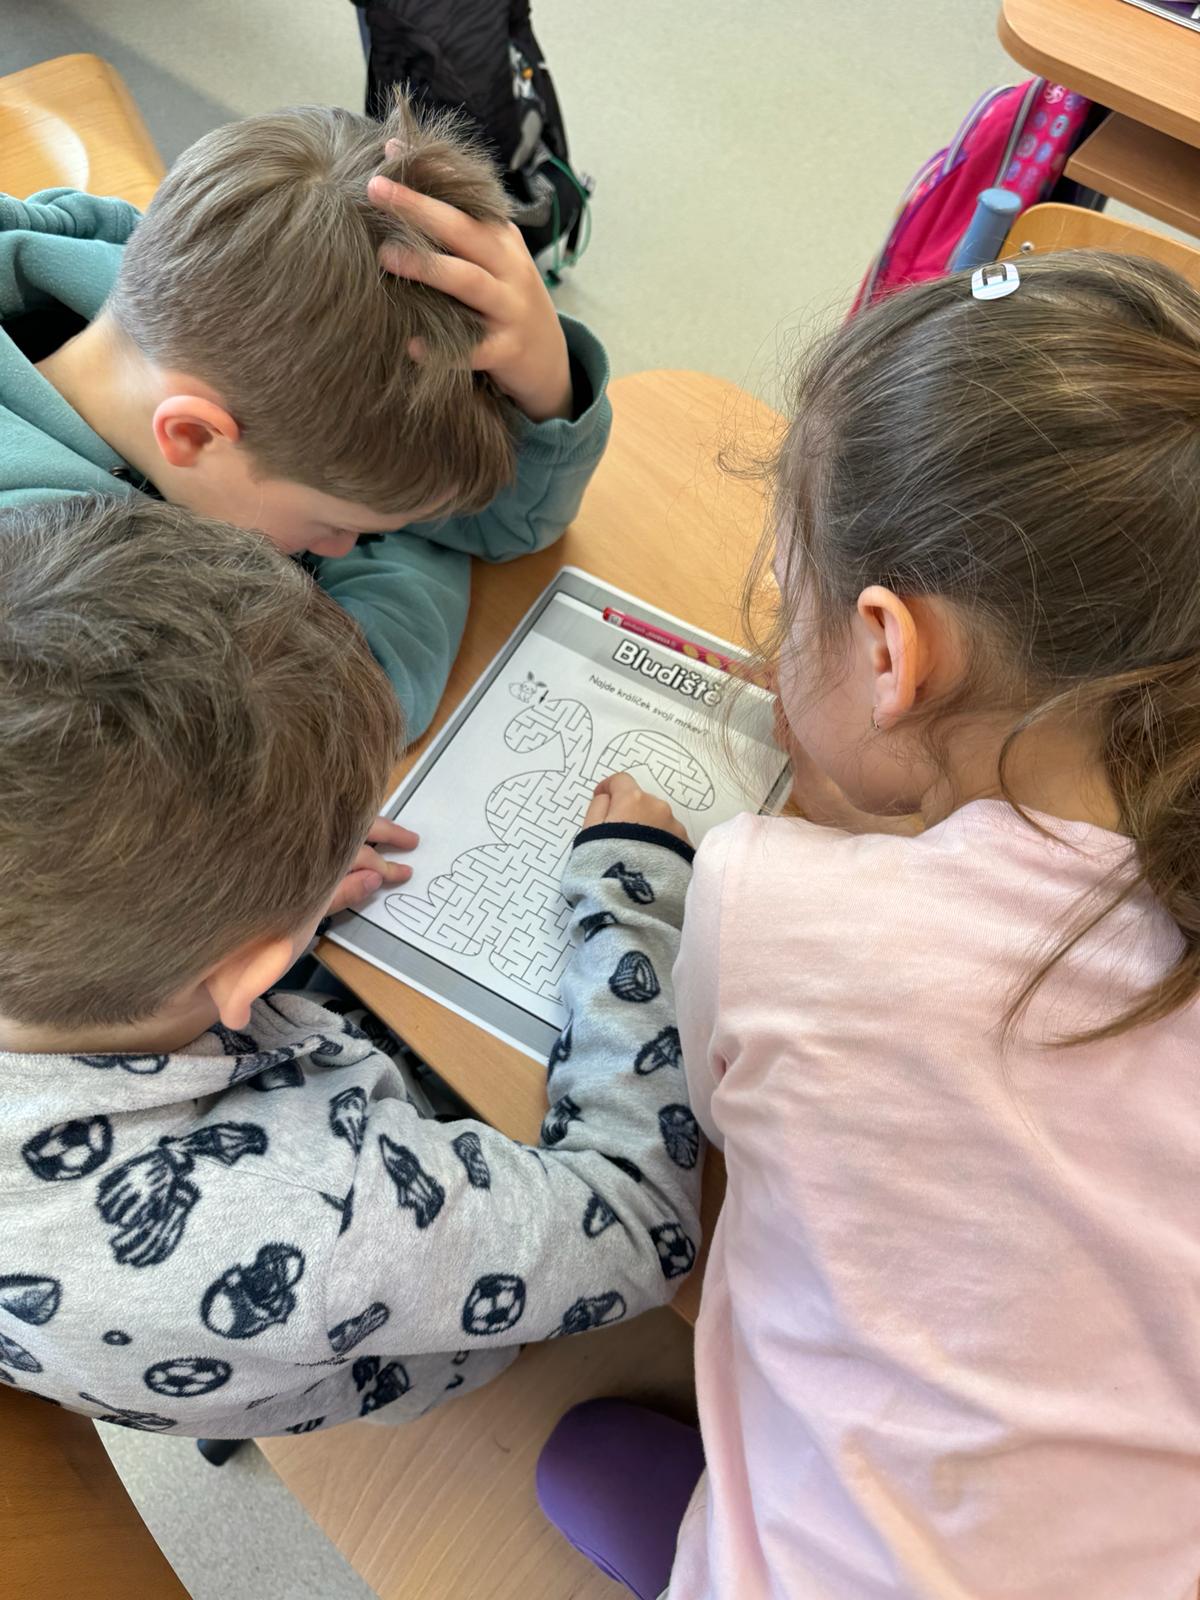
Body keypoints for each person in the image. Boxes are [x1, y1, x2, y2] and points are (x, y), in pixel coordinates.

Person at [538, 252, 1200, 1599]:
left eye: (796, 603)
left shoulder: (768, 901)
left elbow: (708, 1119)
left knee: (581, 1455)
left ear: (894, 653)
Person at [0, 494, 701, 1437]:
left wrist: (253, 894)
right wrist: (633, 902)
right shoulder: (321, 1209)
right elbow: (640, 1228)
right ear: (248, 971)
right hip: (378, 1329)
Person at [0, 96, 610, 748]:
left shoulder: (217, 304)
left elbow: (492, 523)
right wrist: (414, 538)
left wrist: (546, 384)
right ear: (194, 435)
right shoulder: (47, 591)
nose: (344, 548)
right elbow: (338, 711)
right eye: (339, 527)